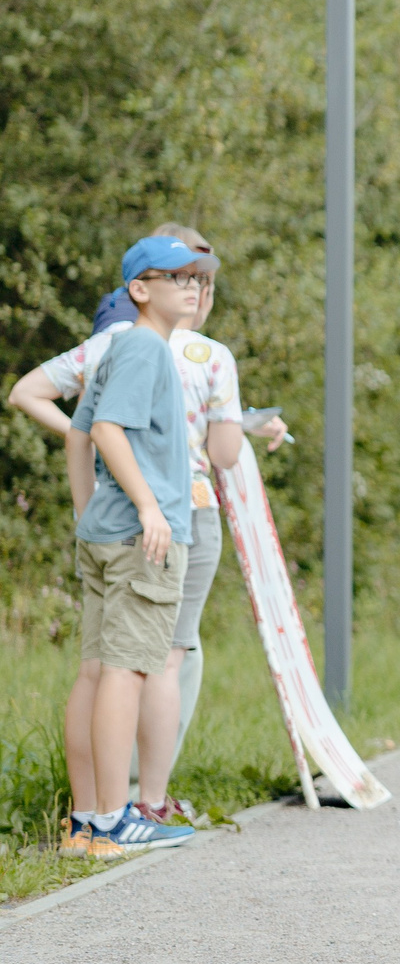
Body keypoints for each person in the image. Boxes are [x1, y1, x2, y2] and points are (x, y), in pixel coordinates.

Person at [8, 223, 291, 784]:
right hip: (172, 512)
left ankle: (93, 811)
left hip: (105, 516)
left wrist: (82, 452)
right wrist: (233, 425)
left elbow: (29, 395)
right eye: (185, 279)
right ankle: (145, 799)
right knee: (164, 658)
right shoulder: (208, 356)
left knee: (98, 668)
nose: (194, 289)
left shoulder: (108, 344)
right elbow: (223, 452)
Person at [55, 238, 214, 857]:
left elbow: (76, 435)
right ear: (139, 289)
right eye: (174, 275)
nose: (191, 286)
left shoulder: (119, 348)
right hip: (142, 538)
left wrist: (88, 509)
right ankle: (115, 821)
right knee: (126, 672)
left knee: (96, 671)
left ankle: (84, 822)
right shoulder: (146, 347)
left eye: (197, 277)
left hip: (106, 533)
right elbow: (103, 429)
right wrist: (148, 506)